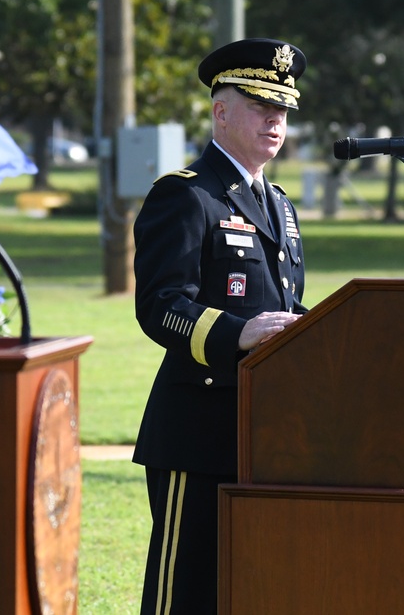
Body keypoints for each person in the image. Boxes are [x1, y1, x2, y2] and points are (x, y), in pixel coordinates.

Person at [133, 37, 308, 614]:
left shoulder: (279, 204)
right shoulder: (185, 197)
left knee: (250, 585)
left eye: (282, 109)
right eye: (261, 105)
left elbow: (287, 305)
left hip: (268, 432)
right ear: (220, 110)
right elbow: (160, 306)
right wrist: (238, 333)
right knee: (186, 592)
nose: (274, 120)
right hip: (199, 431)